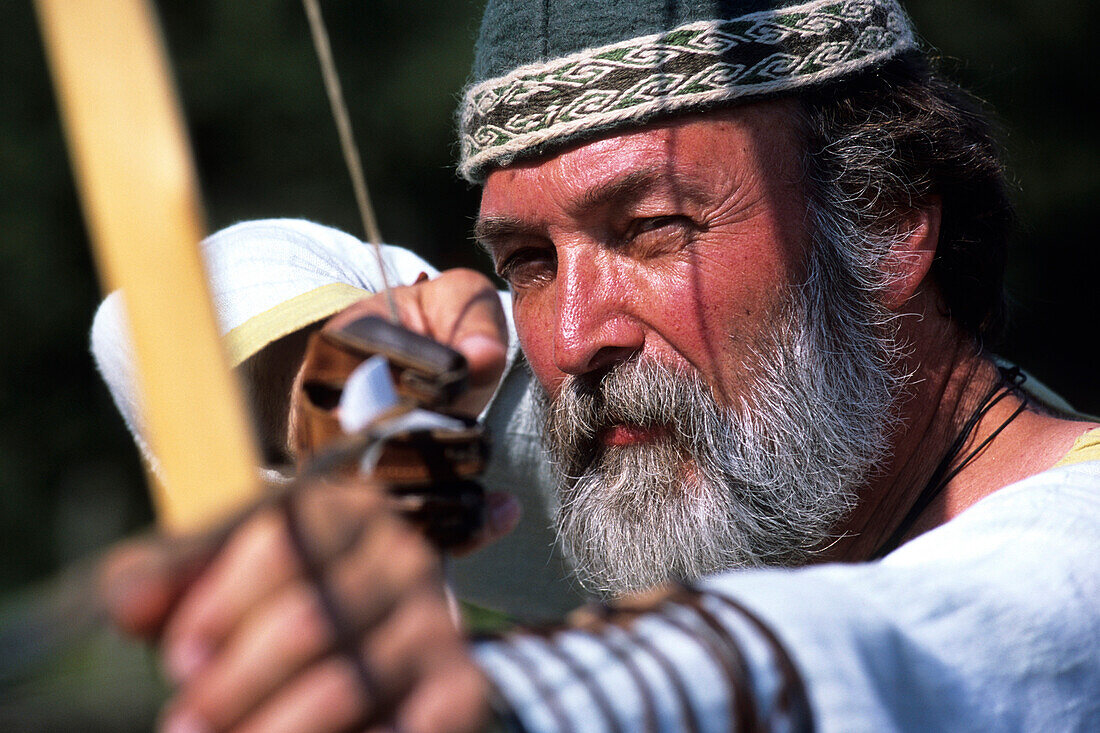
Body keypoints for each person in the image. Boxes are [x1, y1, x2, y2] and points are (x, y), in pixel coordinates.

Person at [91, 0, 1100, 730]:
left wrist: (490, 701)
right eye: (527, 260)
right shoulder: (722, 466)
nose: (572, 339)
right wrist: (354, 389)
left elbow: (902, 648)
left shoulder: (1070, 545)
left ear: (884, 224)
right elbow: (160, 320)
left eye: (652, 229)